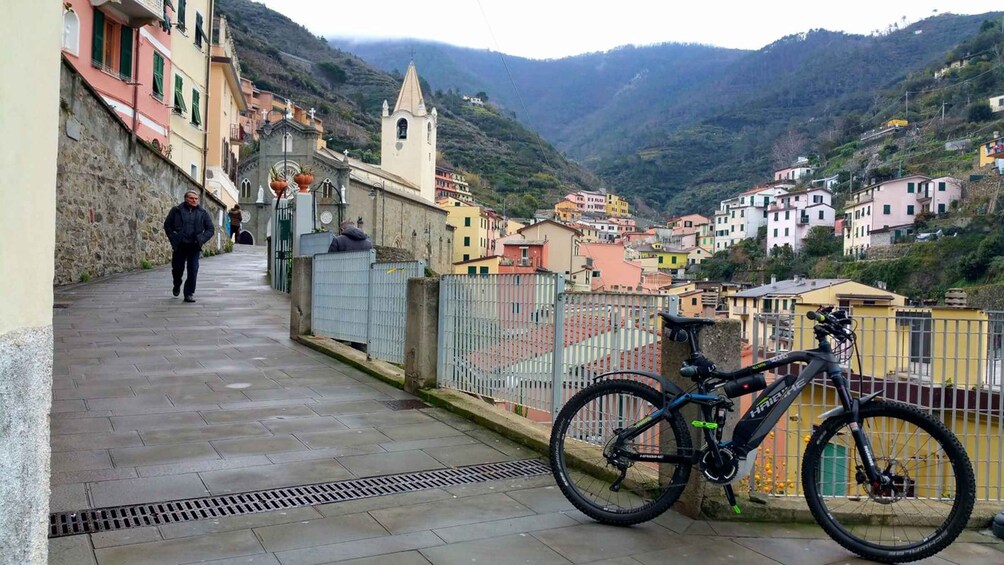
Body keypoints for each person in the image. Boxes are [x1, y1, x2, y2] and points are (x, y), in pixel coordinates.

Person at [163, 191, 214, 303]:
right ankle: (177, 284)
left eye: (196, 198)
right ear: (186, 198)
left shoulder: (202, 213)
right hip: (180, 245)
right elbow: (167, 225)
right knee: (177, 269)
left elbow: (210, 229)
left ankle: (189, 293)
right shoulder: (176, 210)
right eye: (192, 198)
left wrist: (201, 239)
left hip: (194, 246)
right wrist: (174, 238)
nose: (194, 200)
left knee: (193, 270)